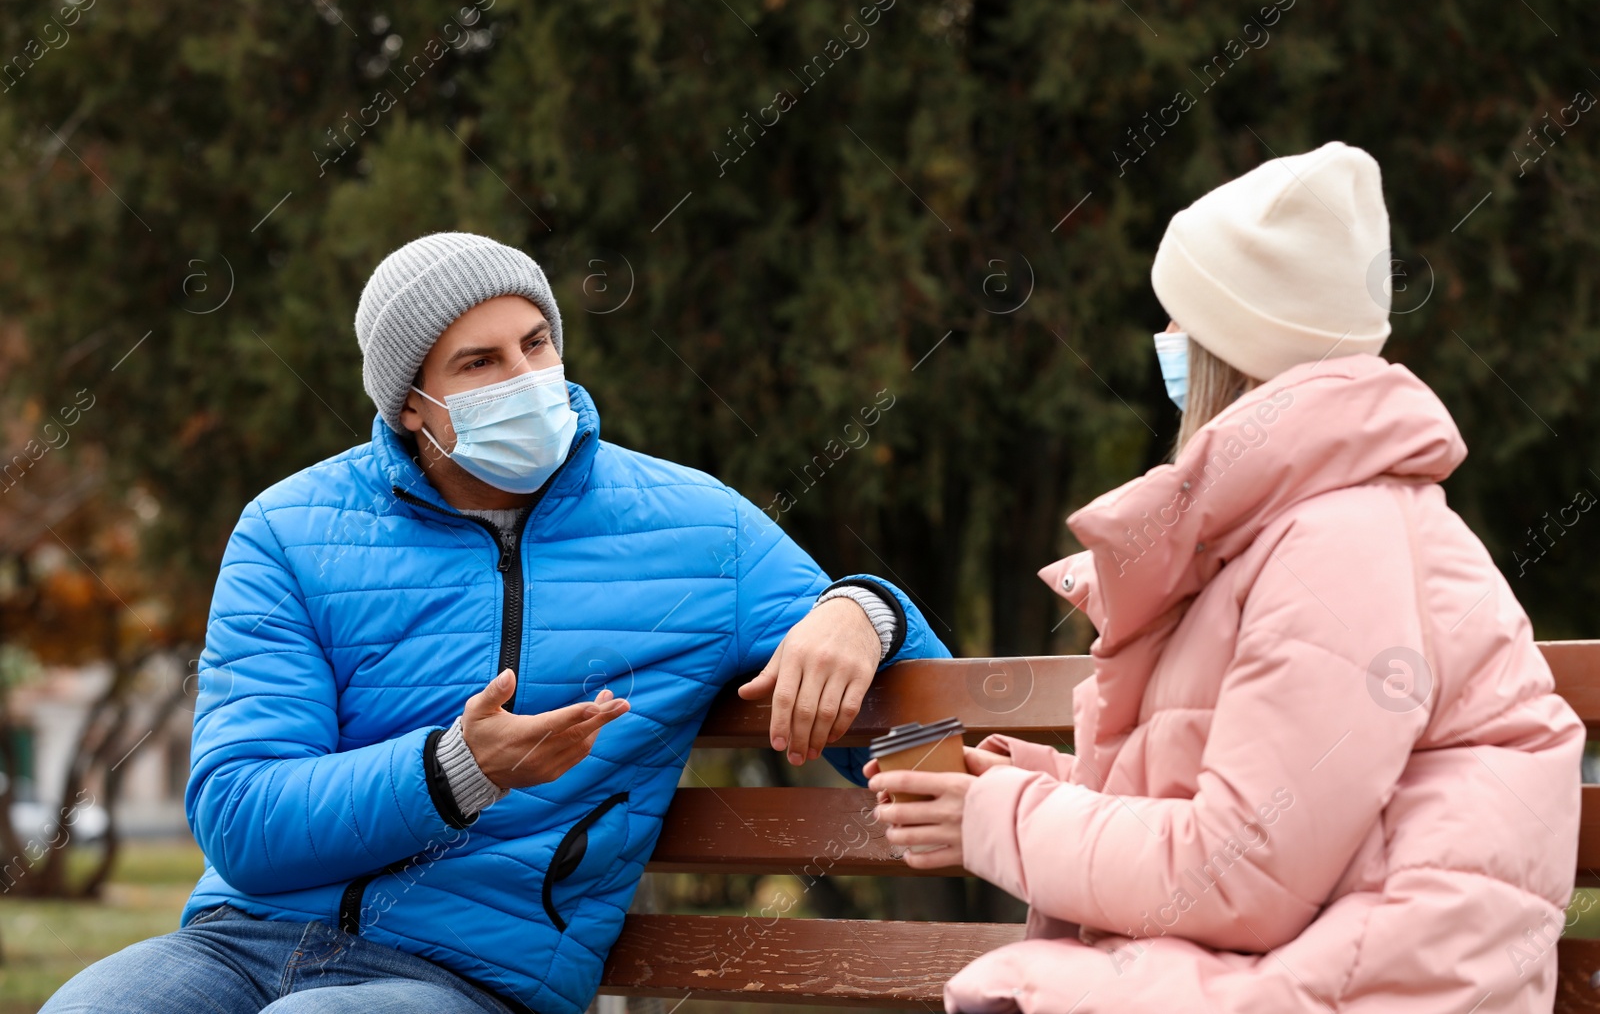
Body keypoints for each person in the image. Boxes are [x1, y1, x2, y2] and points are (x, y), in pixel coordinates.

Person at [43, 232, 950, 1014]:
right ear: (410, 404)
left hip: (468, 975)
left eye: (536, 342)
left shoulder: (698, 529)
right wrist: (456, 770)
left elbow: (935, 749)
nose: (526, 378)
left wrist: (865, 609)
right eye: (480, 363)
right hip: (237, 943)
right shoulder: (289, 530)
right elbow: (241, 817)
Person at [868, 142, 1583, 1013]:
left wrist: (999, 821)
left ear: (1233, 348)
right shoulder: (1286, 528)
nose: (1164, 341)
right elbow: (1247, 819)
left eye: (1179, 320)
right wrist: (1031, 787)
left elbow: (1243, 870)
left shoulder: (1342, 545)